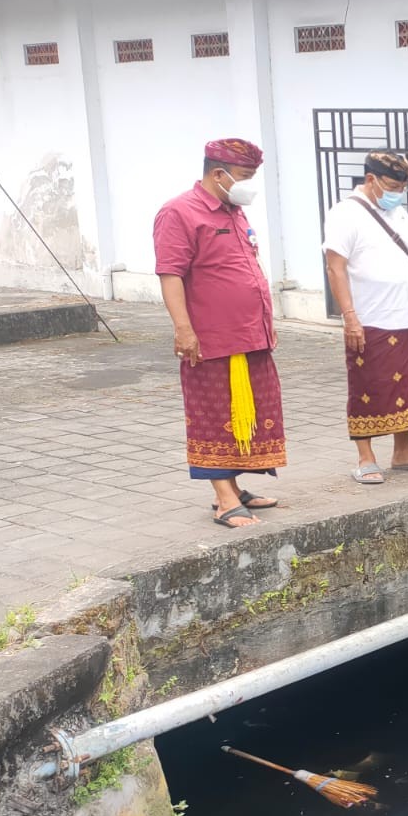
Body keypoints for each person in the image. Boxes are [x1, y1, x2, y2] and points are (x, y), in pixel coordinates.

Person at [154, 138, 285, 528]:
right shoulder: (179, 212)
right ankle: (224, 499)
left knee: (248, 415)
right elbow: (170, 274)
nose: (249, 185)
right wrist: (183, 330)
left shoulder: (234, 210)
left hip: (252, 335)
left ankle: (235, 488)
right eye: (244, 177)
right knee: (214, 417)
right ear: (218, 174)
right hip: (212, 340)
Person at [321, 150, 408, 485]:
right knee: (369, 388)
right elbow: (336, 267)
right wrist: (349, 317)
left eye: (401, 187)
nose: (397, 193)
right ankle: (365, 458)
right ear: (371, 180)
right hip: (369, 319)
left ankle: (403, 453)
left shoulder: (400, 214)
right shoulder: (345, 214)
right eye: (391, 185)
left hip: (405, 318)